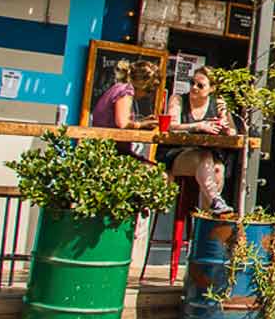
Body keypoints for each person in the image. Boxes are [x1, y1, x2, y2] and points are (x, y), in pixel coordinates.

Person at [165, 66, 236, 214]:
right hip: (178, 153)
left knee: (218, 169)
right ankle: (216, 202)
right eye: (192, 83)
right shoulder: (178, 100)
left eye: (200, 85)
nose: (194, 88)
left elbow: (232, 132)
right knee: (205, 158)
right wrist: (198, 126)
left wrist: (224, 122)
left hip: (209, 155)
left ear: (212, 89)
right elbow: (171, 126)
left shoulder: (218, 103)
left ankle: (206, 218)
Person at [90, 58, 159, 157]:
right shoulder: (127, 91)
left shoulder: (118, 87)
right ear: (142, 86)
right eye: (149, 91)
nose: (147, 96)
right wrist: (142, 124)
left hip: (103, 147)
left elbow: (114, 121)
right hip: (110, 153)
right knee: (157, 171)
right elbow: (122, 123)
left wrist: (143, 121)